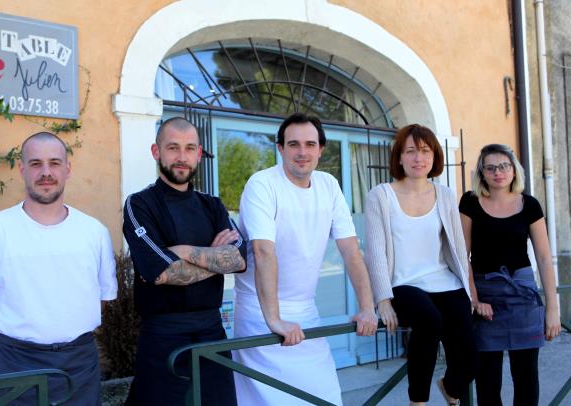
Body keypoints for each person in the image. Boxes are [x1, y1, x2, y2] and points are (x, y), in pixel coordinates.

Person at [0, 132, 117, 405]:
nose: (46, 172)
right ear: (22, 169)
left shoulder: (94, 232)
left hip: (80, 363)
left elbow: (102, 298)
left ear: (67, 169)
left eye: (55, 163)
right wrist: (6, 350)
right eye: (35, 164)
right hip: (16, 363)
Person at [233, 112, 378, 405]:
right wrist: (274, 319)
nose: (302, 152)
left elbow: (351, 250)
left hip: (307, 313)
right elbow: (263, 252)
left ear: (321, 149)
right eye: (294, 144)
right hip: (259, 314)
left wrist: (367, 308)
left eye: (310, 144)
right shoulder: (262, 184)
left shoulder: (329, 185)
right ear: (280, 148)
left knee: (323, 396)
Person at [123, 117, 246, 406]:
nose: (181, 157)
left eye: (190, 148)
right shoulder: (140, 204)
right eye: (173, 148)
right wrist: (214, 258)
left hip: (212, 332)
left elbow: (239, 260)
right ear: (156, 152)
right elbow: (160, 271)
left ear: (199, 154)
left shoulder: (212, 204)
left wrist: (185, 251)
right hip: (163, 335)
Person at [364, 124, 477, 406]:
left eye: (425, 151)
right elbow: (375, 251)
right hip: (402, 283)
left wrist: (469, 292)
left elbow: (459, 251)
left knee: (470, 357)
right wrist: (383, 300)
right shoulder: (381, 195)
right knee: (430, 321)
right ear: (399, 158)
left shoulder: (445, 195)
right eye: (411, 151)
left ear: (434, 156)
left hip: (444, 281)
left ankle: (450, 388)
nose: (419, 158)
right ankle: (418, 402)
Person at [459, 143, 561, 405]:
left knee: (526, 380)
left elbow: (543, 258)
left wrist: (552, 309)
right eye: (490, 167)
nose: (498, 172)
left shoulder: (530, 205)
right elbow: (462, 256)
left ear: (514, 170)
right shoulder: (470, 202)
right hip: (485, 299)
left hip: (523, 296)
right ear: (482, 173)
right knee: (488, 383)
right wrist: (474, 299)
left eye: (504, 166)